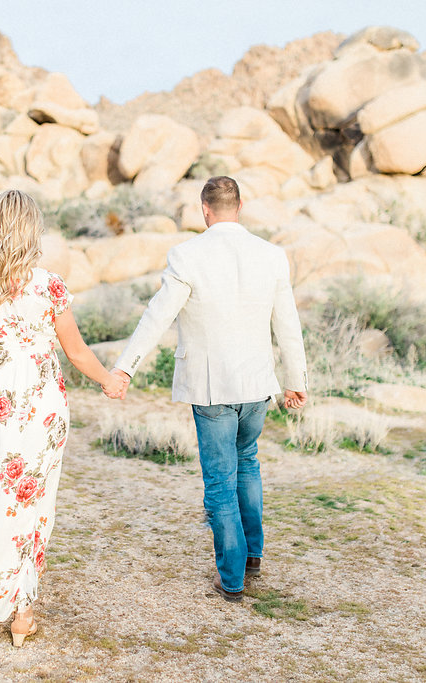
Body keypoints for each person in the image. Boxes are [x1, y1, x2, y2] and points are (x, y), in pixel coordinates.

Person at [0, 189, 127, 647]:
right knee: (33, 507)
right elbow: (75, 351)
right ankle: (21, 611)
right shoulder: (48, 285)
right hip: (42, 408)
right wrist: (108, 380)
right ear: (32, 231)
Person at [112, 176, 308, 602]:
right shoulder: (271, 255)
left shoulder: (187, 255)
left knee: (221, 480)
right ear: (240, 206)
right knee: (248, 463)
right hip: (257, 385)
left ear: (205, 209)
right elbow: (287, 325)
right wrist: (295, 381)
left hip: (211, 387)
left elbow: (157, 316)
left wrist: (125, 368)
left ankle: (232, 579)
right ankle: (252, 555)